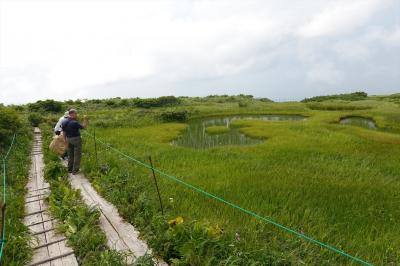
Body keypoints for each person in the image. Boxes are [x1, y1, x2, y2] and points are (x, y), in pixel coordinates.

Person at [62, 109, 89, 174]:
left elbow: (64, 132)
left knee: (70, 154)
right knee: (77, 155)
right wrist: (85, 119)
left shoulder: (64, 121)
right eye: (76, 114)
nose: (77, 115)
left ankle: (69, 169)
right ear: (72, 114)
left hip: (68, 139)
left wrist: (65, 139)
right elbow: (84, 127)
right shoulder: (74, 122)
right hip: (76, 139)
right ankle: (75, 170)